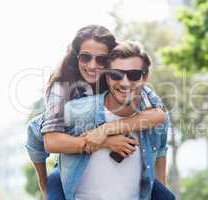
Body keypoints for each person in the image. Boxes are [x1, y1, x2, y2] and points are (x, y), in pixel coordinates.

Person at [26, 25, 174, 200]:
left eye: (101, 60)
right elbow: (48, 139)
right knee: (54, 184)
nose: (93, 65)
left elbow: (159, 115)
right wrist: (105, 142)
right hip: (70, 164)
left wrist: (106, 130)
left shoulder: (122, 78)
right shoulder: (62, 88)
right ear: (76, 57)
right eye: (85, 57)